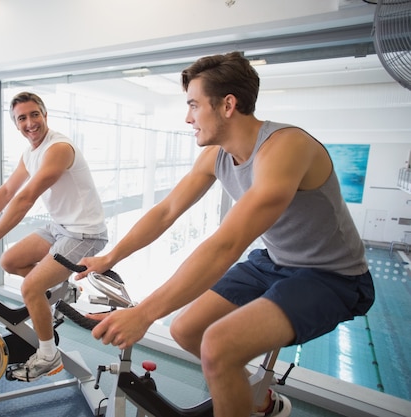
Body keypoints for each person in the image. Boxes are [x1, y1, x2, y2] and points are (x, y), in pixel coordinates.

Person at [75, 52, 374, 417]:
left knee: (217, 344)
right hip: (275, 261)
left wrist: (144, 313)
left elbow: (228, 244)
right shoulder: (215, 154)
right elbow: (166, 211)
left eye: (194, 105)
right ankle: (257, 398)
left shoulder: (285, 148)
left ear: (228, 104)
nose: (188, 118)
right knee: (186, 331)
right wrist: (110, 257)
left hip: (334, 277)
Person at [0, 91, 108, 382]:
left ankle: (48, 355)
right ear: (16, 124)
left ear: (45, 115)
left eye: (34, 115)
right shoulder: (30, 153)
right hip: (59, 227)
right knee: (10, 261)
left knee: (31, 288)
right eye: (22, 118)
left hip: (85, 233)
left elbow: (26, 197)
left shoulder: (59, 148)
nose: (30, 123)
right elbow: (7, 191)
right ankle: (59, 289)